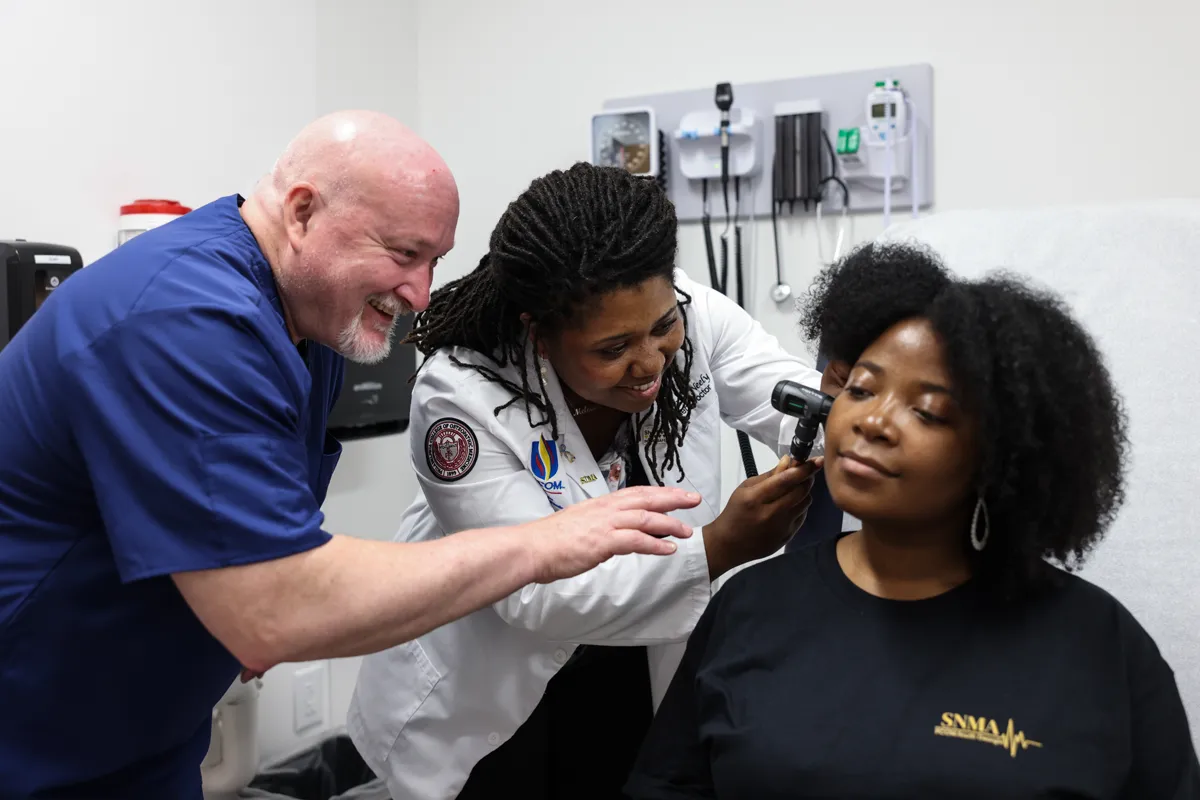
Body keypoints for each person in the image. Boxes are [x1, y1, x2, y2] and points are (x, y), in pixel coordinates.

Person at [0, 112, 703, 799]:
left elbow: (262, 545)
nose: (420, 294)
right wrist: (541, 543)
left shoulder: (309, 323)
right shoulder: (184, 321)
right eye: (402, 254)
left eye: (434, 261)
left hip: (141, 735)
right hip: (34, 736)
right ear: (302, 211)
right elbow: (275, 608)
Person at [624, 242, 1200, 798]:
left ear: (1002, 456)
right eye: (861, 389)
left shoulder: (1098, 645)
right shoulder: (749, 607)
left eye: (927, 412)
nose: (873, 421)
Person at [347, 162, 837, 799]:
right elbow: (533, 594)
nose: (650, 362)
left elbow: (794, 399)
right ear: (540, 334)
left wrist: (867, 419)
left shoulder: (694, 317)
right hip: (489, 694)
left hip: (632, 663)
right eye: (612, 349)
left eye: (663, 327)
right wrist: (719, 546)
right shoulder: (461, 395)